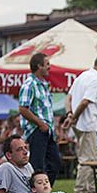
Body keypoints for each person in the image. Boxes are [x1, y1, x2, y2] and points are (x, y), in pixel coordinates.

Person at [64, 55, 97, 193]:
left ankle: (91, 189)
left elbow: (68, 98)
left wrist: (69, 115)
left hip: (80, 124)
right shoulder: (96, 79)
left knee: (90, 157)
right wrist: (73, 117)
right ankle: (79, 192)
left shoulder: (82, 76)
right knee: (88, 160)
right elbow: (86, 101)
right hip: (87, 124)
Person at [19, 53, 60, 185]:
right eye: (47, 64)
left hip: (47, 131)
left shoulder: (44, 85)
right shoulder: (29, 84)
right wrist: (40, 124)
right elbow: (23, 109)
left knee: (55, 164)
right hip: (36, 130)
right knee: (38, 166)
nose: (50, 67)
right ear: (39, 66)